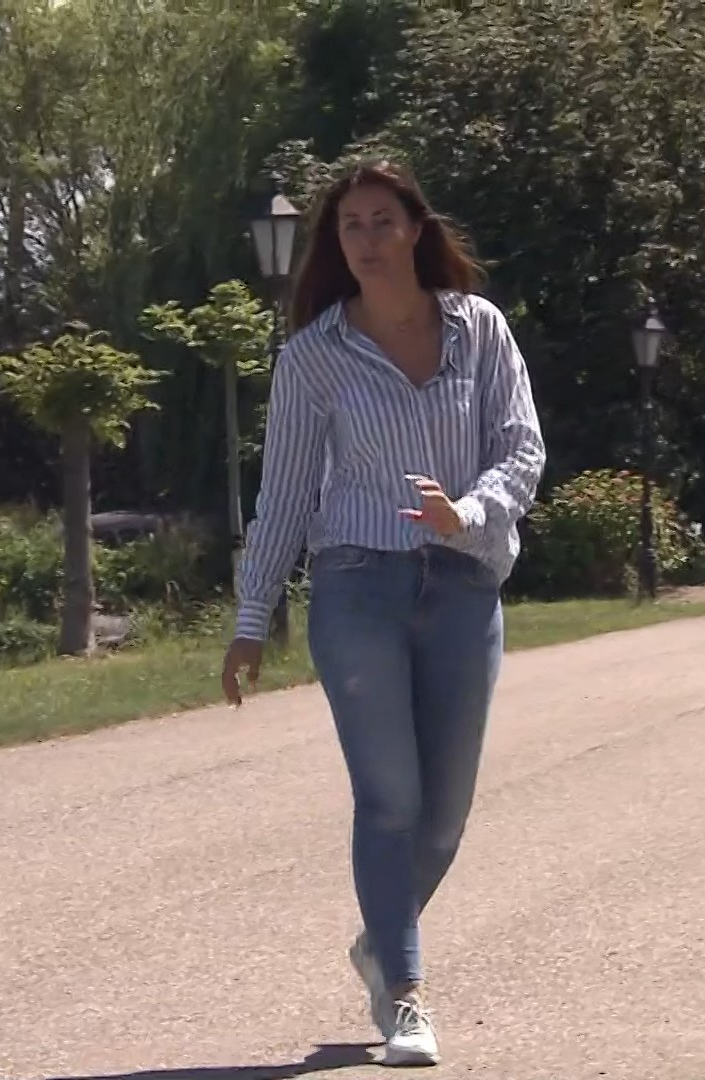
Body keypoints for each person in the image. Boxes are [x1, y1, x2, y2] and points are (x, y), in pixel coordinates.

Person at [219, 159, 546, 1066]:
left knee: (444, 815)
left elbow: (523, 450)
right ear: (337, 244)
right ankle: (405, 995)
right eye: (350, 226)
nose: (366, 239)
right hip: (357, 583)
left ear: (414, 228)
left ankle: (379, 938)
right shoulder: (313, 356)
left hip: (464, 584)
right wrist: (252, 618)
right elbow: (286, 494)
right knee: (389, 797)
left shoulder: (479, 330)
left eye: (381, 220)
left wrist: (466, 513)